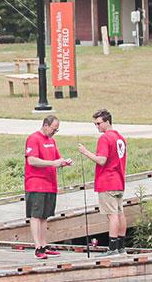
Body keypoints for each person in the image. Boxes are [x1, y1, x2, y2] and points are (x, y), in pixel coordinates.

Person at [77, 109, 129, 256]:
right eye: (95, 124)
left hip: (108, 181)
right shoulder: (120, 138)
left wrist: (85, 152)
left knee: (112, 215)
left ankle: (112, 248)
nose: (97, 126)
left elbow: (102, 160)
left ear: (107, 121)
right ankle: (121, 246)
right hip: (119, 180)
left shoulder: (105, 138)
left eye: (99, 123)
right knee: (120, 213)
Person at [25, 115, 75, 259]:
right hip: (36, 183)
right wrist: (53, 163)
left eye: (57, 130)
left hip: (50, 184)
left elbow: (57, 159)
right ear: (46, 125)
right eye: (54, 129)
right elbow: (32, 160)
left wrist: (64, 162)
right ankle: (37, 248)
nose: (54, 132)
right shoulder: (33, 139)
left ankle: (44, 245)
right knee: (36, 215)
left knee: (45, 216)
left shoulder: (52, 141)